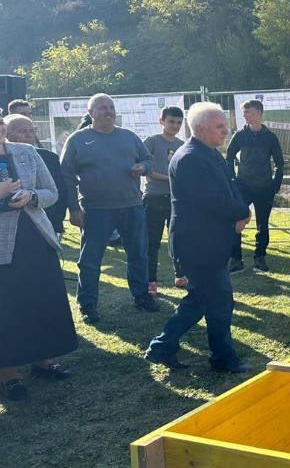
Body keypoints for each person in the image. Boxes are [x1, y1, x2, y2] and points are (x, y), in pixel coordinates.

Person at [145, 103, 252, 373]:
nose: (226, 130)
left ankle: (162, 347)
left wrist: (242, 210)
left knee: (201, 300)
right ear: (201, 129)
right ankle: (222, 358)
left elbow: (231, 186)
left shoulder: (210, 153)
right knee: (219, 300)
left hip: (209, 242)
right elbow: (209, 199)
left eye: (225, 125)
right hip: (197, 245)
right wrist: (241, 211)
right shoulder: (190, 157)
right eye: (220, 126)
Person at [60, 93, 158, 324]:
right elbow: (66, 176)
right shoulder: (77, 140)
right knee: (91, 259)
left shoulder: (128, 136)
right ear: (90, 113)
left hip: (132, 205)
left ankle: (141, 295)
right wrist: (74, 209)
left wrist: (142, 167)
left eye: (111, 107)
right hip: (95, 209)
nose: (108, 111)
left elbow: (148, 159)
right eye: (103, 108)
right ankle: (88, 304)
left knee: (138, 254)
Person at [0, 117, 77, 401]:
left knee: (42, 299)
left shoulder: (26, 152)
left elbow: (52, 192)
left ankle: (42, 363)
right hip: (3, 246)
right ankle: (9, 377)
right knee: (8, 309)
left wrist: (31, 195)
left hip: (35, 236)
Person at [226, 99, 284, 274]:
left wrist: (275, 185)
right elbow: (228, 157)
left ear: (258, 113)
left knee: (262, 225)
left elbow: (280, 163)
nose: (244, 115)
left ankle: (260, 258)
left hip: (265, 187)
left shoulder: (270, 137)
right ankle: (236, 260)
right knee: (236, 221)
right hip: (242, 186)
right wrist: (233, 181)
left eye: (247, 112)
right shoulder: (240, 135)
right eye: (244, 112)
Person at [143, 106, 187, 296]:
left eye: (178, 122)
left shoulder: (183, 144)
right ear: (162, 121)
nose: (174, 125)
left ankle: (181, 275)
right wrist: (170, 178)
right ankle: (151, 281)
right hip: (153, 198)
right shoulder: (152, 141)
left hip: (176, 199)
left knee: (178, 240)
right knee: (152, 242)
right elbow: (146, 170)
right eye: (171, 121)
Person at [4, 114, 67, 235]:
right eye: (22, 131)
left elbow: (58, 191)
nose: (28, 135)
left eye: (31, 131)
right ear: (7, 134)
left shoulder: (50, 158)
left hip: (42, 221)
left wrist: (56, 221)